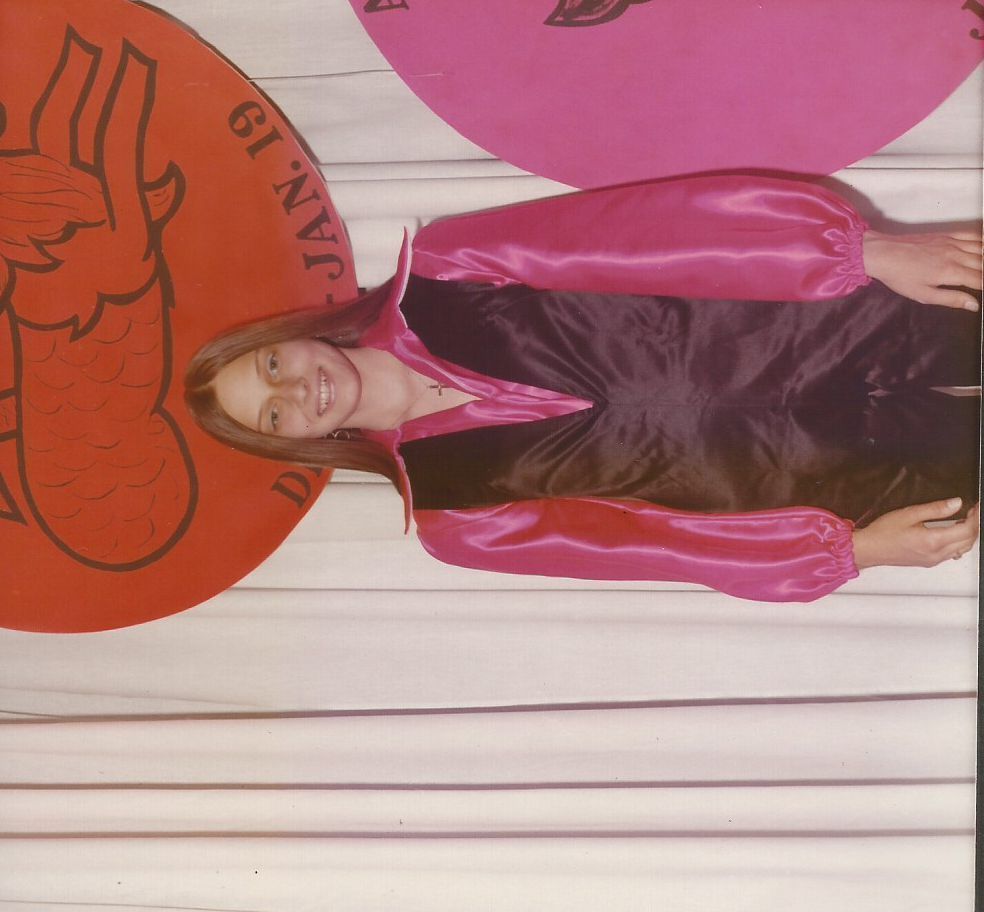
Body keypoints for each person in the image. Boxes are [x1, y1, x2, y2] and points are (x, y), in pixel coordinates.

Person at [185, 174, 982, 603]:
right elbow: (663, 549)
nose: (298, 390)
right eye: (275, 414)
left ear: (292, 336)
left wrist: (861, 253)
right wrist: (850, 552)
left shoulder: (446, 269)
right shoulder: (456, 520)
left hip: (882, 313)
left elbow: (658, 232)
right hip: (866, 477)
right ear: (300, 442)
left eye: (272, 367)